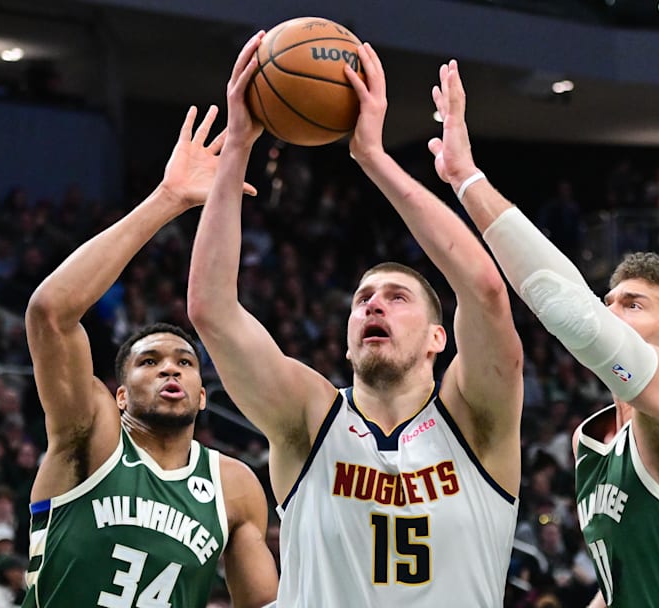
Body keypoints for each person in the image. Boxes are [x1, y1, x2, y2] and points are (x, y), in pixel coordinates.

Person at [430, 59, 659, 606]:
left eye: (634, 305)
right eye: (608, 301)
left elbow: (568, 310)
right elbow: (623, 586)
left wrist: (465, 179)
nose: (610, 312)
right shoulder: (590, 443)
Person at [188, 33, 524, 606]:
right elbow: (212, 310)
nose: (373, 304)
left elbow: (487, 290)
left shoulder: (477, 424)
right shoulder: (308, 417)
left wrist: (373, 156)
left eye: (398, 297)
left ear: (437, 339)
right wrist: (240, 143)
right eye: (363, 298)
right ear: (346, 341)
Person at [21, 106, 277, 608]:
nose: (169, 368)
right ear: (118, 396)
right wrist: (168, 199)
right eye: (149, 361)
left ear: (204, 397)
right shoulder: (89, 437)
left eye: (184, 362)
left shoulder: (235, 486)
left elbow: (264, 605)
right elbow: (50, 312)